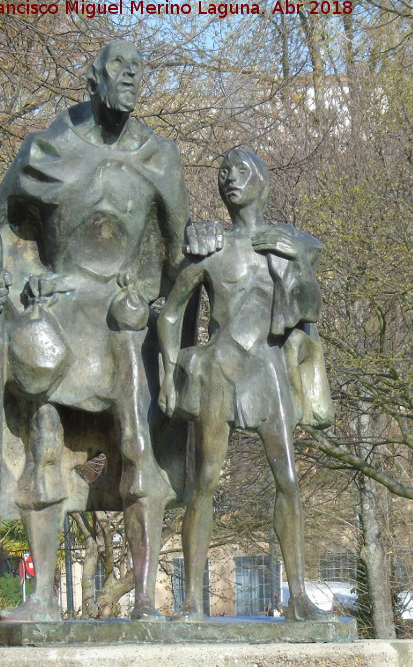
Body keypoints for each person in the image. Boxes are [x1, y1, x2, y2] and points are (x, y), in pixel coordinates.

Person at [0, 40, 216, 622]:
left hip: (127, 321)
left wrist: (203, 245)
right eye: (118, 70)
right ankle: (43, 600)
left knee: (139, 448)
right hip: (57, 314)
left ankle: (148, 602)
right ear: (93, 78)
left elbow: (180, 250)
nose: (129, 79)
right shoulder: (48, 148)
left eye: (138, 71)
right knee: (43, 441)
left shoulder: (161, 157)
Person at [158, 148, 334, 622]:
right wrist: (169, 377)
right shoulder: (212, 250)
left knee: (289, 481)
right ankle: (193, 602)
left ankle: (297, 596)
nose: (230, 180)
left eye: (241, 172)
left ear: (263, 181)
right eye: (223, 173)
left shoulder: (289, 243)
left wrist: (298, 258)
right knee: (206, 482)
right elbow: (172, 312)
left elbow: (309, 308)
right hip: (219, 368)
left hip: (268, 367)